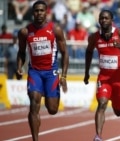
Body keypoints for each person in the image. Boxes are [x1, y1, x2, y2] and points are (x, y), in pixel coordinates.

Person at [16, 1, 69, 141]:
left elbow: (65, 53)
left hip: (51, 73)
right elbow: (21, 52)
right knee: (34, 103)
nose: (39, 13)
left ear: (46, 12)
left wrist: (63, 76)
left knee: (52, 109)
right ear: (32, 13)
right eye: (36, 11)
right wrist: (19, 67)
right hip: (35, 72)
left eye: (41, 11)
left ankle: (47, 93)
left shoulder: (55, 30)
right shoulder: (25, 32)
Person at [83, 10, 120, 141]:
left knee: (118, 112)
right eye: (101, 18)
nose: (103, 20)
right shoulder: (94, 37)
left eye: (106, 18)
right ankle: (98, 136)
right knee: (101, 104)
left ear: (112, 20)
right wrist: (86, 72)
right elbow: (89, 52)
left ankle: (114, 100)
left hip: (118, 80)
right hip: (104, 78)